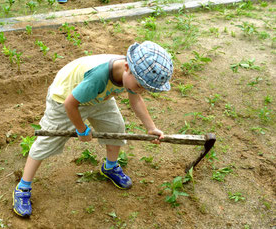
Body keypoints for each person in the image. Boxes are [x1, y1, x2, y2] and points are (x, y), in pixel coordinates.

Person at [12, 41, 173, 217]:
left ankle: (110, 167)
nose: (141, 90)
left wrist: (151, 128)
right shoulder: (99, 76)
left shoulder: (132, 76)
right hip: (66, 99)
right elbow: (70, 104)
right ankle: (23, 187)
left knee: (115, 128)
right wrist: (81, 129)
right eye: (141, 86)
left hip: (98, 97)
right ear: (127, 67)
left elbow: (136, 100)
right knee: (47, 143)